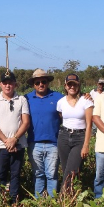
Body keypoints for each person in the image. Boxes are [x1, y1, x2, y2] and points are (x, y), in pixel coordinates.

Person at [0, 69, 31, 204]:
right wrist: (7, 140)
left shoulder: (22, 99)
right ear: (0, 84)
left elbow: (26, 122)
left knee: (15, 175)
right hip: (1, 146)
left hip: (18, 145)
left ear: (15, 84)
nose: (7, 86)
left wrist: (15, 139)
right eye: (5, 83)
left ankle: (13, 201)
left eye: (10, 83)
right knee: (1, 175)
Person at [25, 68, 63, 197]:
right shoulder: (27, 98)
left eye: (43, 81)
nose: (41, 84)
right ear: (33, 85)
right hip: (34, 143)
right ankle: (39, 201)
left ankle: (52, 201)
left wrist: (86, 96)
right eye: (37, 82)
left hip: (53, 142)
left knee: (52, 174)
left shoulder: (58, 97)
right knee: (38, 174)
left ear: (47, 83)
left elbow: (73, 103)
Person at [56, 74, 93, 195]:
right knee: (67, 169)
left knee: (71, 170)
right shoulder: (61, 102)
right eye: (69, 84)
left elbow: (89, 124)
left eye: (75, 84)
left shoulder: (86, 101)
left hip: (80, 137)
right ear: (65, 86)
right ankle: (73, 196)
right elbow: (62, 118)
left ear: (79, 86)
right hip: (64, 136)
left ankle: (63, 197)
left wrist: (86, 145)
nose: (72, 87)